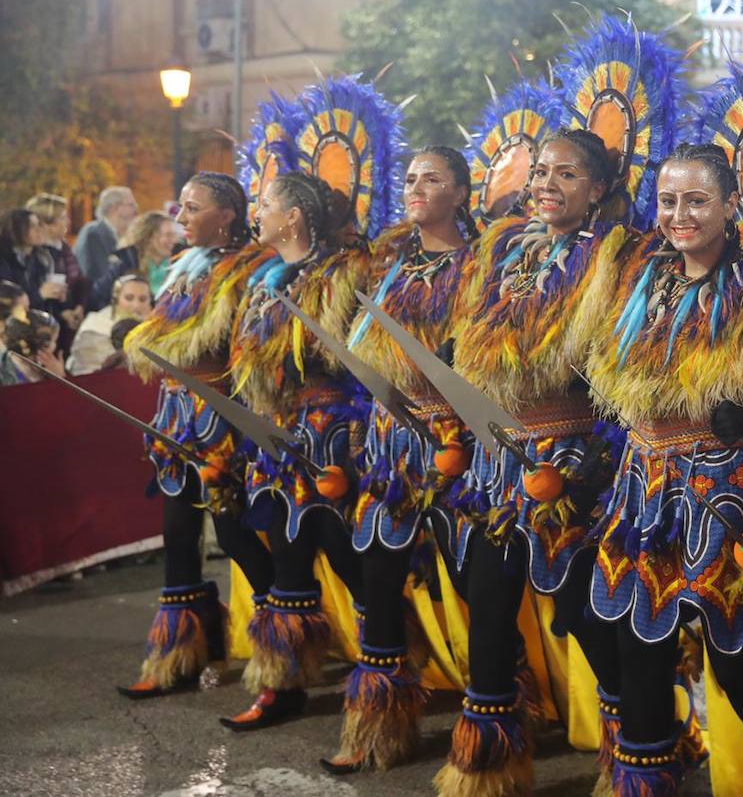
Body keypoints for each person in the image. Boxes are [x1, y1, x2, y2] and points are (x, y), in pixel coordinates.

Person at [586, 143, 743, 795]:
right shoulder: (638, 277)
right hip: (642, 486)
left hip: (728, 489)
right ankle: (645, 784)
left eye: (697, 200)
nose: (679, 214)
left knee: (735, 660)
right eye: (669, 201)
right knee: (633, 644)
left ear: (731, 205)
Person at [434, 128, 626, 797]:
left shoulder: (615, 256)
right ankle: (485, 766)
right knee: (487, 603)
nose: (547, 183)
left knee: (581, 610)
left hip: (570, 460)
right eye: (540, 171)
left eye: (566, 174)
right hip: (498, 457)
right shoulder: (508, 246)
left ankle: (637, 750)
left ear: (597, 188)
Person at [321, 146, 478, 774]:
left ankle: (504, 707)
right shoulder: (388, 264)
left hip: (457, 446)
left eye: (431, 179)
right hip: (390, 443)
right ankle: (376, 727)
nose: (415, 188)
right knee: (380, 580)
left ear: (462, 193)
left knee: (475, 587)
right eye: (410, 179)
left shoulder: (480, 264)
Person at [222, 171, 371, 732]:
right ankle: (282, 683)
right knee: (286, 556)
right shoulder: (263, 278)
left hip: (329, 433)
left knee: (344, 553)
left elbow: (352, 357)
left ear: (294, 217)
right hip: (275, 433)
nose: (256, 214)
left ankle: (390, 666)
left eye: (265, 205)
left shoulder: (342, 274)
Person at [117, 172, 275, 700]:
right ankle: (179, 654)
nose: (180, 218)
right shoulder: (181, 266)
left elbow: (234, 343)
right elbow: (159, 334)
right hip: (175, 418)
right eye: (180, 207)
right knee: (178, 533)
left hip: (224, 419)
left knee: (232, 535)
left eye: (192, 207)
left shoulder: (254, 268)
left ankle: (287, 634)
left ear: (227, 214)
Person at [25, 193, 87, 341]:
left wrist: (78, 306)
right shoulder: (34, 256)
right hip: (42, 329)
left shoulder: (64, 249)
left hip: (65, 323)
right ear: (46, 224)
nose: (68, 221)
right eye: (63, 217)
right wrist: (62, 312)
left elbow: (78, 281)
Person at [68, 273, 152, 375]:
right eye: (129, 298)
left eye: (143, 299)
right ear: (116, 298)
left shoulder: (157, 327)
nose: (136, 305)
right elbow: (84, 368)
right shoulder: (95, 323)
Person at [91, 210, 177, 308]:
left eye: (174, 235)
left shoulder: (177, 264)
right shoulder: (126, 262)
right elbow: (98, 296)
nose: (174, 240)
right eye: (168, 235)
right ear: (149, 236)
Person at [0, 209, 66, 319]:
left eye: (39, 224)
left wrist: (62, 308)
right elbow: (9, 305)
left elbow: (44, 305)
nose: (39, 229)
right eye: (32, 226)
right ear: (16, 230)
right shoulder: (4, 261)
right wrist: (40, 294)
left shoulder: (41, 258)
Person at [75, 186, 137, 288]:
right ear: (113, 208)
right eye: (131, 205)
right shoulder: (93, 234)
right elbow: (96, 277)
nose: (135, 210)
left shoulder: (123, 237)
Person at [0, 308, 62, 385]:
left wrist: (60, 377)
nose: (54, 346)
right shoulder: (3, 374)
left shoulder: (51, 368)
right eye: (53, 341)